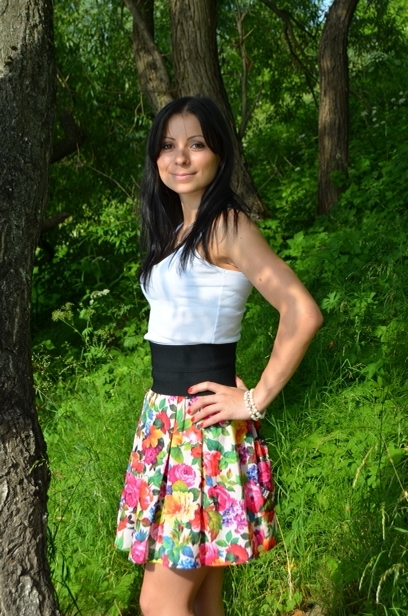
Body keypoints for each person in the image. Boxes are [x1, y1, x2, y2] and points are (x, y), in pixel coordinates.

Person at [115, 96, 323, 616]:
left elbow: (301, 312)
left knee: (158, 603)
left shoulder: (226, 225)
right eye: (168, 145)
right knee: (204, 600)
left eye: (196, 144)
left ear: (219, 154)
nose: (180, 157)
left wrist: (253, 400)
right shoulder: (177, 229)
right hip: (168, 425)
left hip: (198, 430)